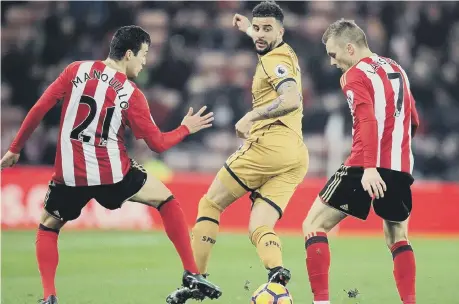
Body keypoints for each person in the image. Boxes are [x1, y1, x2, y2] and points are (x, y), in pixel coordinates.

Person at [0, 25, 222, 304]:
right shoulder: (132, 94)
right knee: (167, 201)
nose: (144, 62)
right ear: (128, 54)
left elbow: (39, 109)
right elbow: (158, 145)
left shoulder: (75, 71)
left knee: (48, 226)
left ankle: (49, 297)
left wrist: (14, 149)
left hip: (70, 176)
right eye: (143, 55)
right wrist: (186, 129)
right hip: (113, 175)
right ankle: (191, 272)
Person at [191, 1, 308, 287]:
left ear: (281, 30)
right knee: (259, 226)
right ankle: (276, 273)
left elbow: (291, 98)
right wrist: (249, 29)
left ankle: (196, 279)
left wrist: (252, 115)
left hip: (269, 145)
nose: (260, 34)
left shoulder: (272, 61)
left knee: (210, 204)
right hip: (296, 155)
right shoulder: (284, 51)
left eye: (267, 29)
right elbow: (263, 40)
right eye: (257, 28)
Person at [302, 19, 419, 304]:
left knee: (313, 226)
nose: (332, 62)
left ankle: (321, 302)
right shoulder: (397, 68)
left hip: (364, 164)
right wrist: (398, 155)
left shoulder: (354, 75)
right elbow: (413, 119)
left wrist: (368, 167)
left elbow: (366, 118)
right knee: (398, 236)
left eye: (333, 54)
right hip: (399, 166)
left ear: (350, 48)